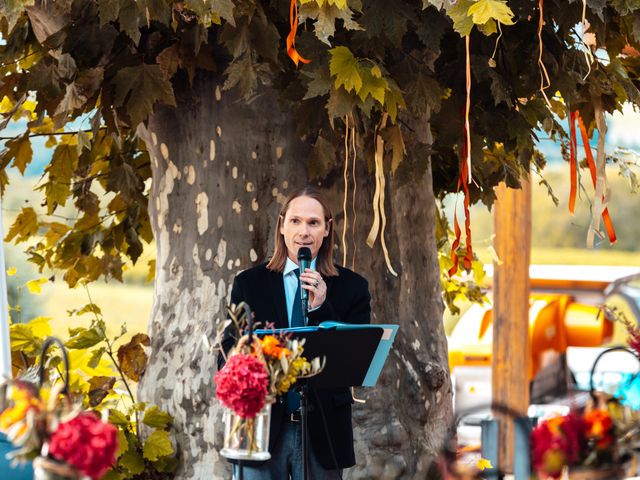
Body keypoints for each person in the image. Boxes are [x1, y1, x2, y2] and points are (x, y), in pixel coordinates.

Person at [219, 186, 371, 480]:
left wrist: (322, 308)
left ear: (327, 229)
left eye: (313, 223)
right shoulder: (250, 284)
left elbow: (355, 364)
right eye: (295, 221)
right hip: (261, 428)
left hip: (323, 430)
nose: (304, 231)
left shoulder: (353, 287)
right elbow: (227, 354)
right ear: (282, 225)